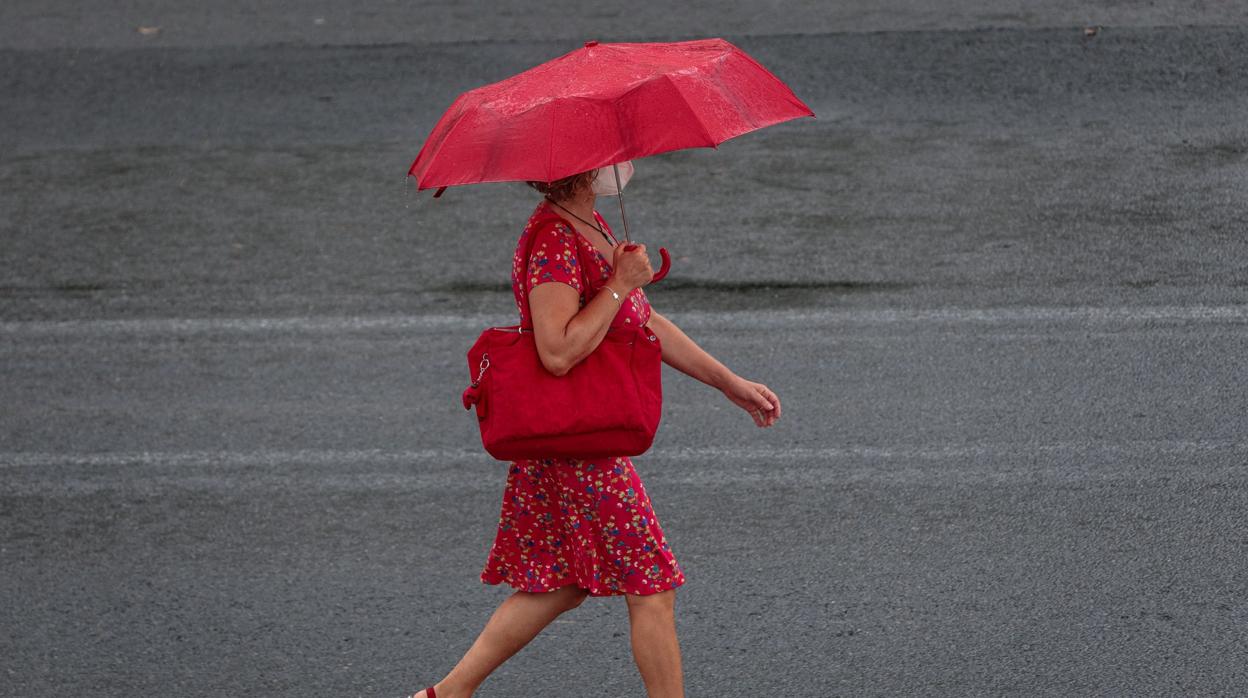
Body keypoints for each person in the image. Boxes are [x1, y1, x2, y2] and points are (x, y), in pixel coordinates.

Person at [406, 164, 781, 698]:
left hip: (577, 439)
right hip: (578, 446)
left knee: (559, 583)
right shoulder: (552, 241)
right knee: (652, 586)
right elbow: (556, 351)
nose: (625, 164)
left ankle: (444, 696)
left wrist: (728, 382)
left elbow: (642, 319)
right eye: (616, 156)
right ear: (584, 167)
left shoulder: (591, 225)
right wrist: (619, 283)